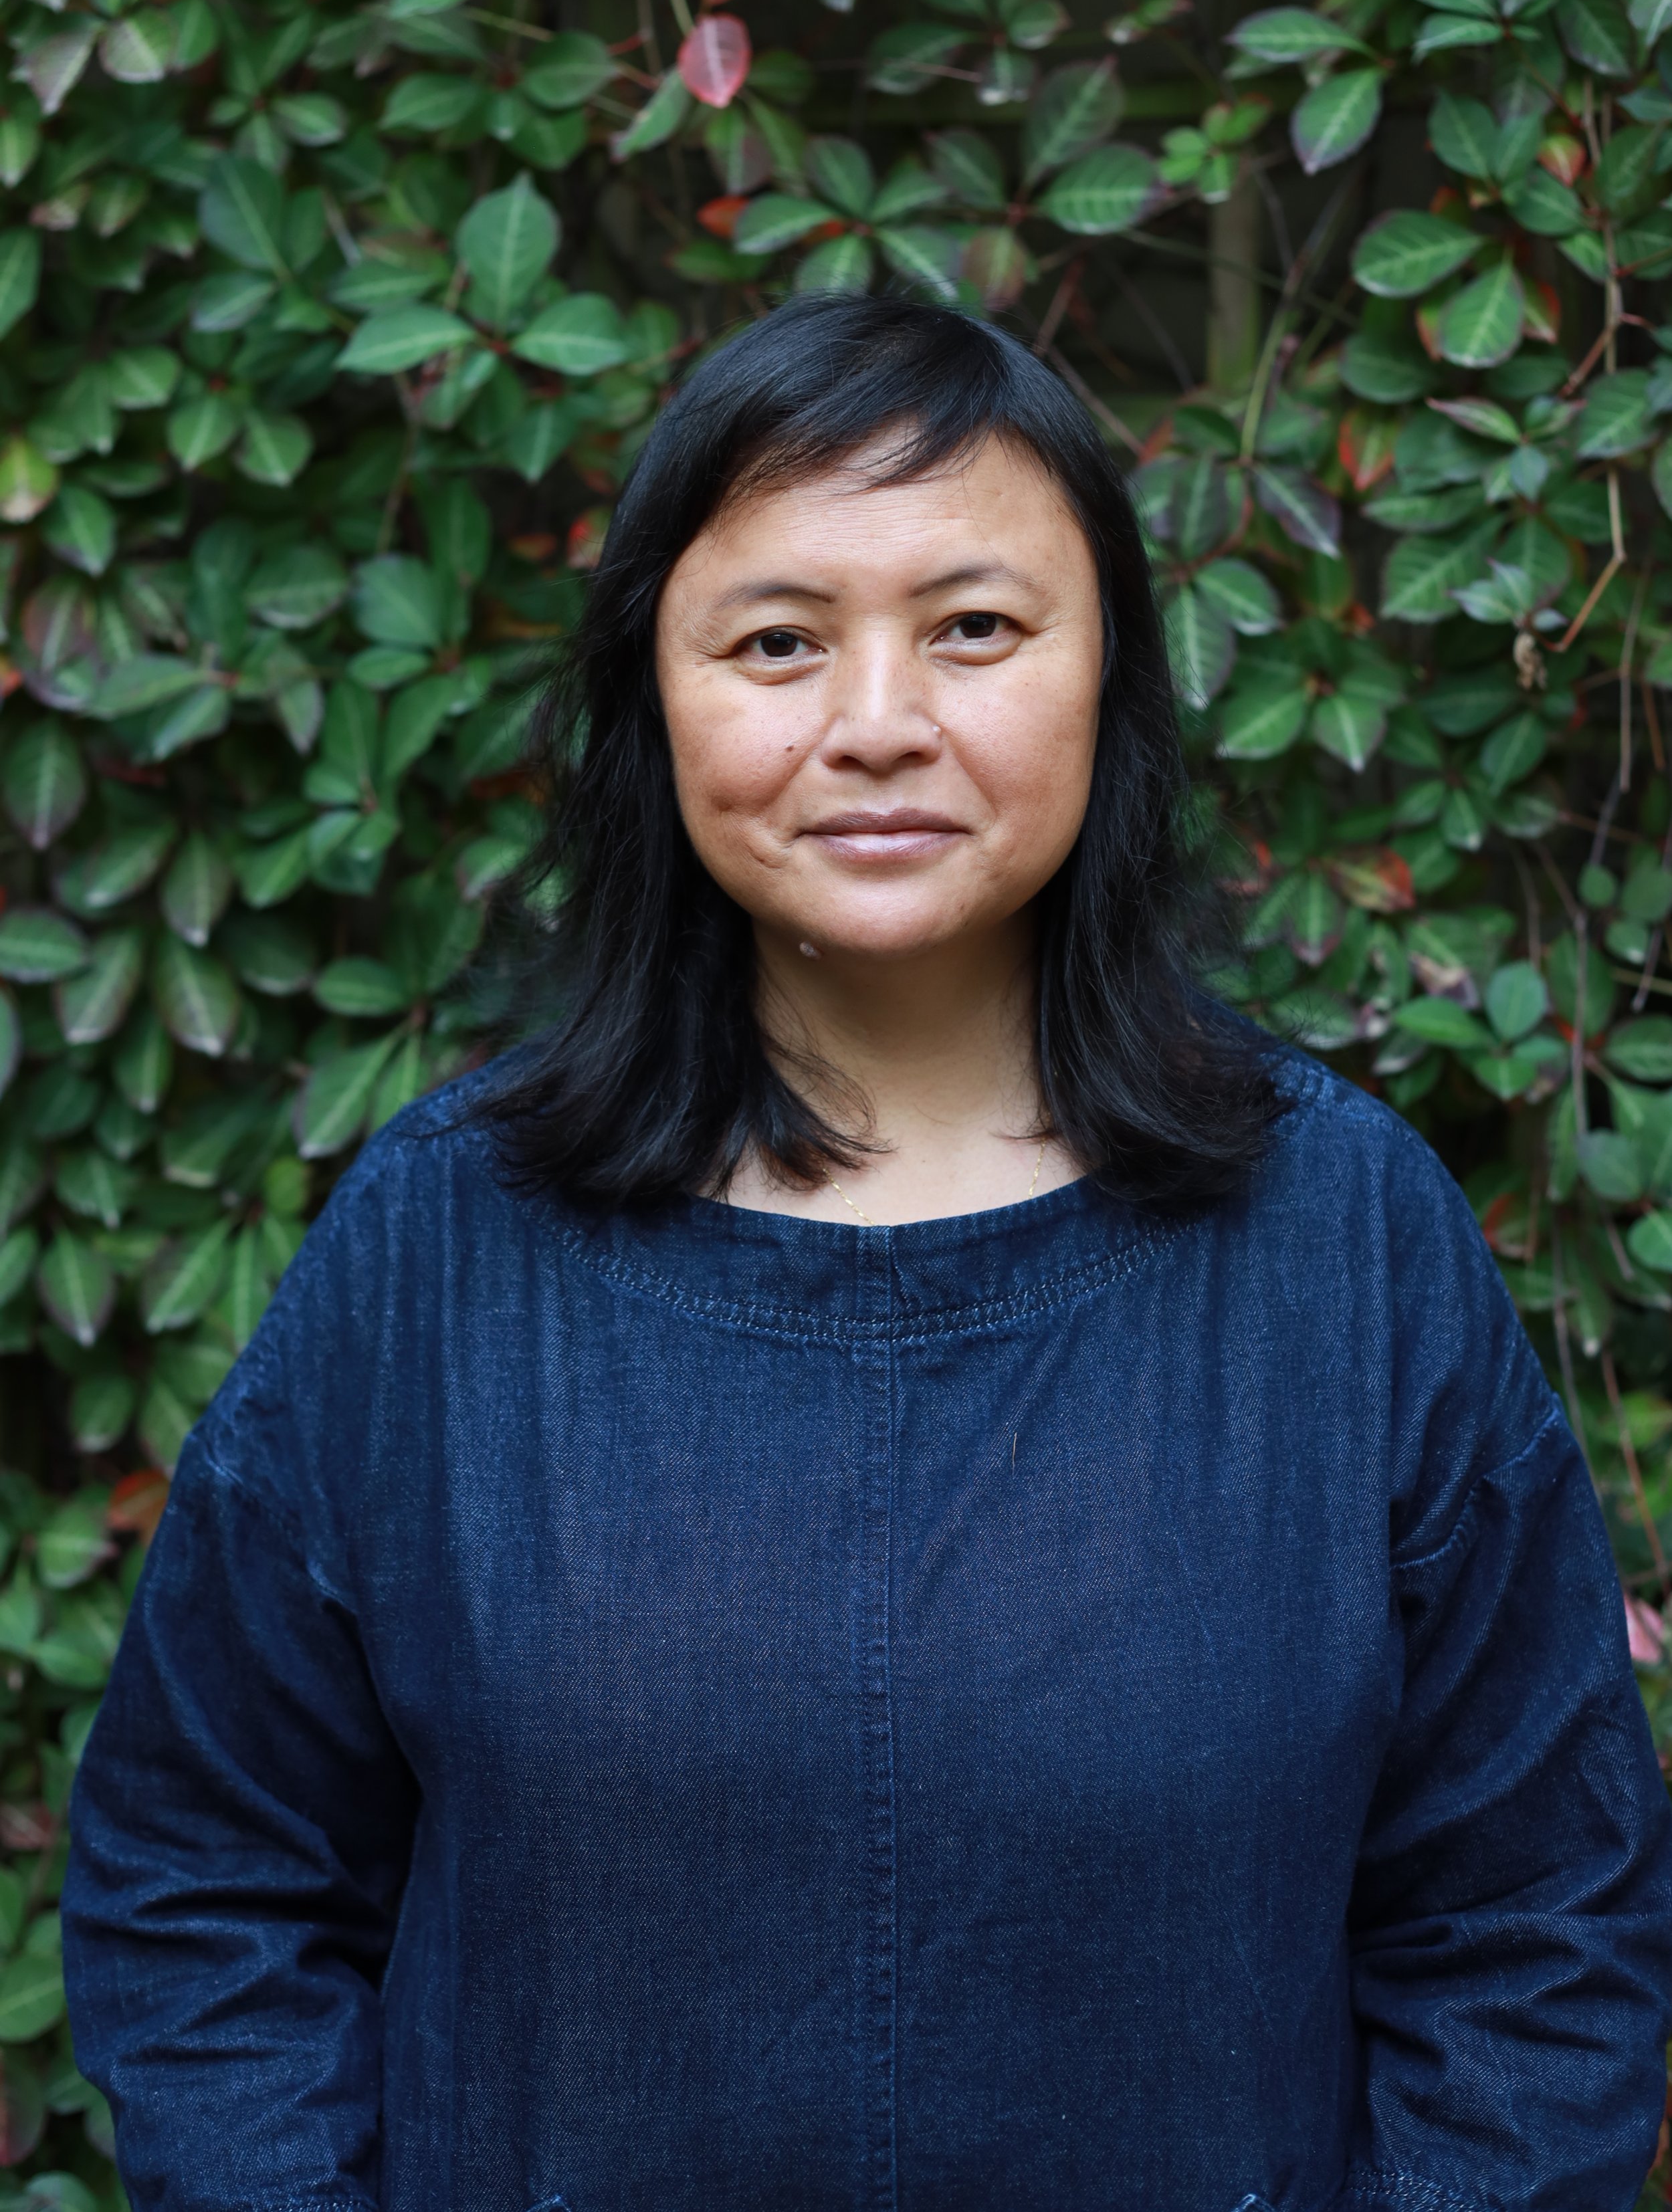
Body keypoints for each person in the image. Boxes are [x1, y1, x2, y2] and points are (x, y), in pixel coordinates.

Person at [62, 296, 1672, 2212]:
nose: (879, 723)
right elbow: (207, 1891)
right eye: (776, 643)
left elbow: (1535, 1926)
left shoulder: (1339, 1241)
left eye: (974, 628)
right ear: (654, 702)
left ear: (1111, 680)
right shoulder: (443, 1247)